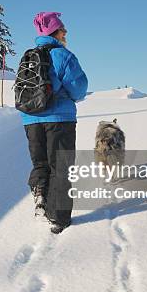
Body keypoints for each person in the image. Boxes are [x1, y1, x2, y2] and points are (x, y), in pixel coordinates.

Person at [20, 12, 88, 234]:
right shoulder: (63, 55)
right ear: (54, 32)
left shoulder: (29, 56)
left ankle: (41, 199)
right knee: (61, 167)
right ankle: (58, 219)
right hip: (59, 119)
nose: (65, 32)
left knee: (40, 164)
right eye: (63, 29)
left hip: (30, 120)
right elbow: (78, 88)